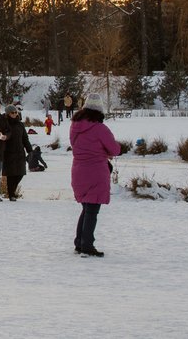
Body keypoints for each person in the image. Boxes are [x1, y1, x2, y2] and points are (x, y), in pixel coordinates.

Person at [70, 93, 120, 257]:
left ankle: (79, 242)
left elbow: (78, 146)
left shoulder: (74, 127)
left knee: (86, 208)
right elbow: (114, 149)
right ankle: (87, 245)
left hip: (78, 171)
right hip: (96, 172)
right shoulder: (100, 129)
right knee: (92, 210)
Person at [2, 106, 31, 200]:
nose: (14, 114)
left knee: (20, 173)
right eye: (12, 112)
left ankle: (12, 191)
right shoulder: (4, 124)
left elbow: (25, 138)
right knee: (11, 174)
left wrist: (29, 150)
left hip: (19, 151)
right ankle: (11, 194)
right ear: (8, 114)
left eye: (16, 112)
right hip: (8, 152)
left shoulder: (20, 124)